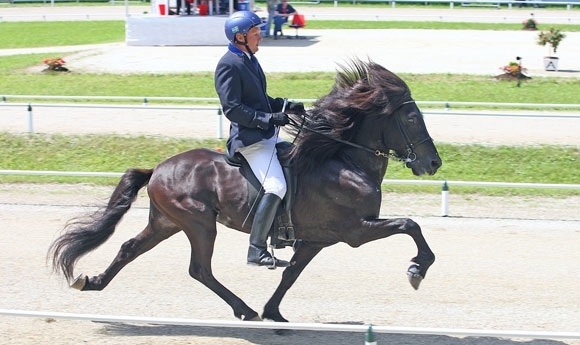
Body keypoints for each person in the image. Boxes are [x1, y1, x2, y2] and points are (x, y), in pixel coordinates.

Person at [215, 11, 304, 268]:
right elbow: (233, 109)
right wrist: (268, 119)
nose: (260, 38)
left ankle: (285, 233)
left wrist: (286, 105)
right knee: (276, 186)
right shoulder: (229, 64)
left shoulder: (249, 59)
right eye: (255, 34)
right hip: (250, 141)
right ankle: (256, 249)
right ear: (240, 37)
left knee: (298, 164)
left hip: (266, 135)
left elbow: (259, 100)